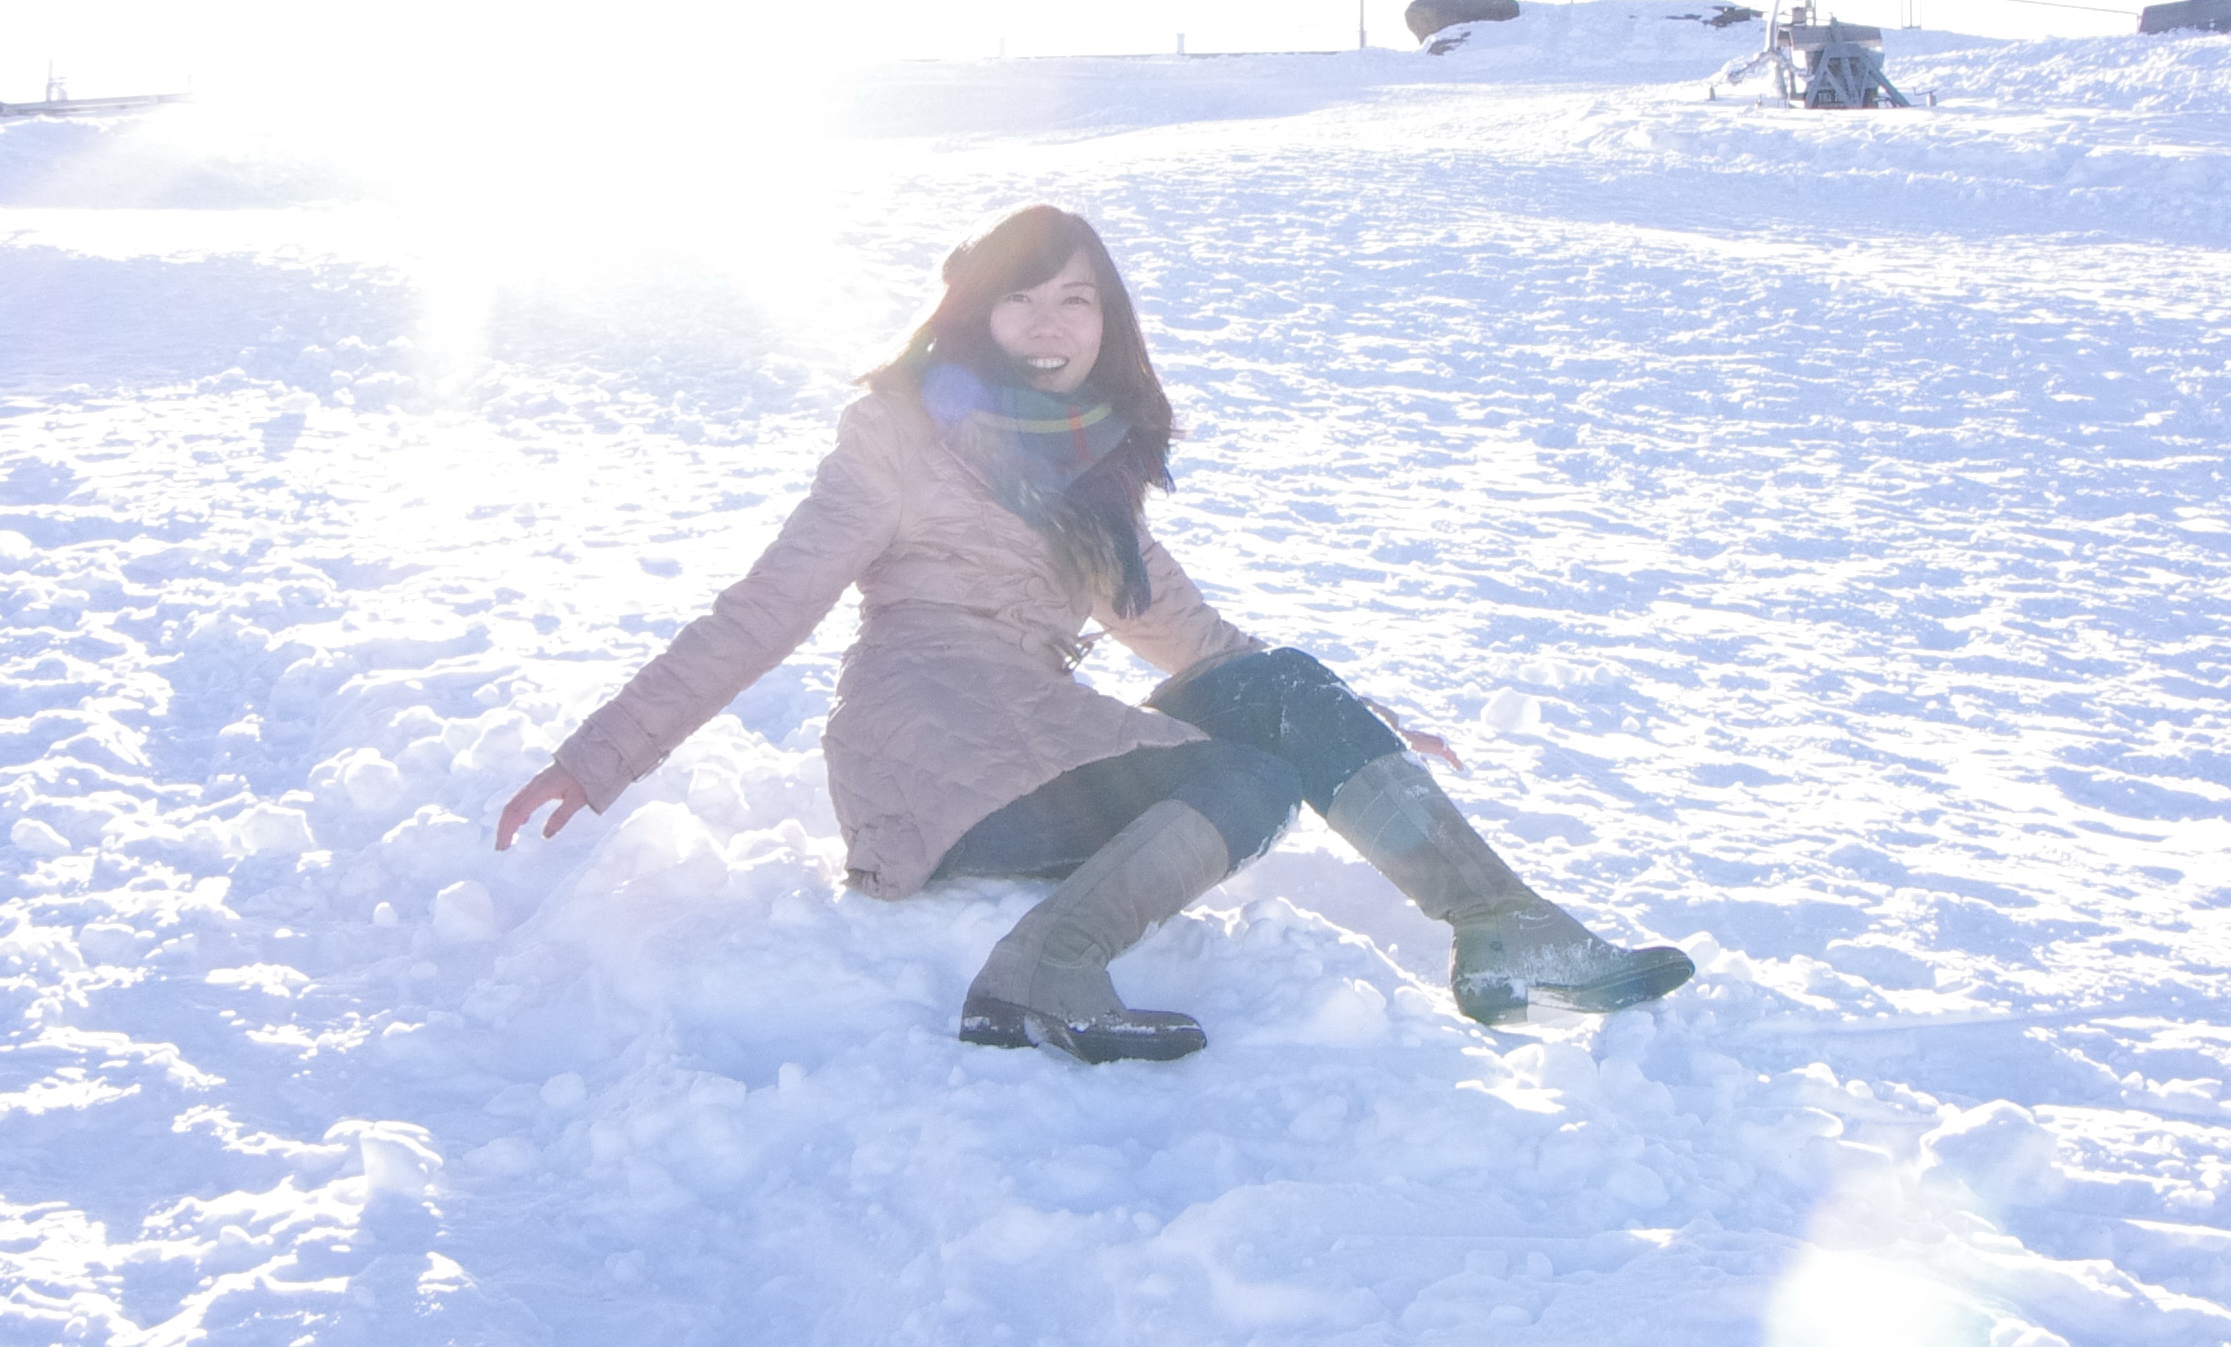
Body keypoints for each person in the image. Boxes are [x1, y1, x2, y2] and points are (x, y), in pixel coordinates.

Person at [495, 204, 1694, 1065]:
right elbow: (764, 607)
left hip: (1036, 733)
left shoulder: (1087, 471)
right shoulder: (897, 434)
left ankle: (1503, 933)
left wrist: (1354, 728)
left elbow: (1196, 637)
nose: (1050, 321)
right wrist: (597, 757)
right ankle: (1043, 970)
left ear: (1106, 322)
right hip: (930, 747)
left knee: (1279, 694)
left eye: (1077, 297)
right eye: (1022, 294)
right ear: (974, 310)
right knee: (1249, 774)